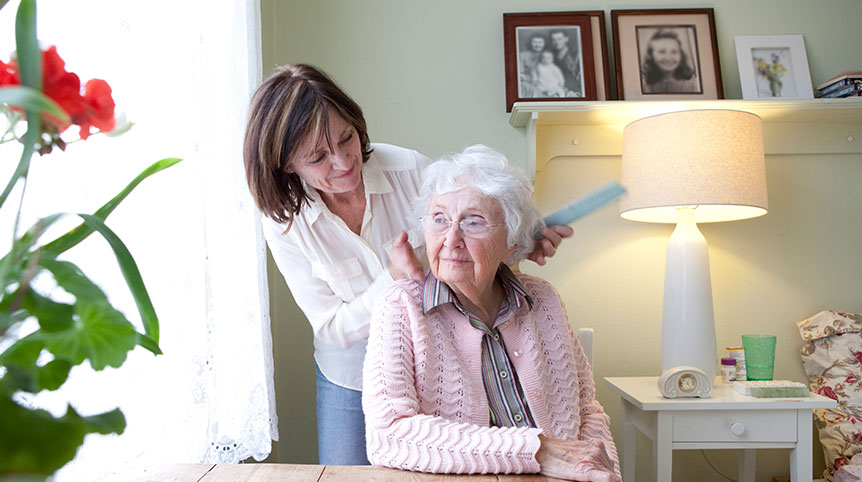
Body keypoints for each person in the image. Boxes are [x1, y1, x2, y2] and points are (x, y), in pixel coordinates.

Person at [242, 64, 573, 465]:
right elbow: (331, 327)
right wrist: (393, 278)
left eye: (346, 138)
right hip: (350, 376)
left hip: (433, 360)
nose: (343, 162)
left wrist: (520, 244)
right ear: (286, 165)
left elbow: (467, 240)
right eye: (317, 157)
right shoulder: (285, 223)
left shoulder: (410, 169)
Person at [363, 145, 621, 482]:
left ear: (512, 242)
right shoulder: (400, 307)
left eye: (474, 222)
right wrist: (538, 450)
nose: (451, 238)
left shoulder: (543, 300)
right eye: (439, 219)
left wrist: (602, 471)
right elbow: (387, 436)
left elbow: (587, 410)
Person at [640, 29, 699, 94]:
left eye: (674, 52)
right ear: (651, 55)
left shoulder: (695, 84)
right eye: (662, 52)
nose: (668, 58)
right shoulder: (644, 85)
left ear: (681, 55)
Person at [549, 29, 582, 96]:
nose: (557, 42)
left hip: (574, 90)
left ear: (566, 39)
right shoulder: (550, 56)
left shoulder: (577, 56)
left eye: (559, 39)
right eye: (553, 40)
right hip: (556, 89)